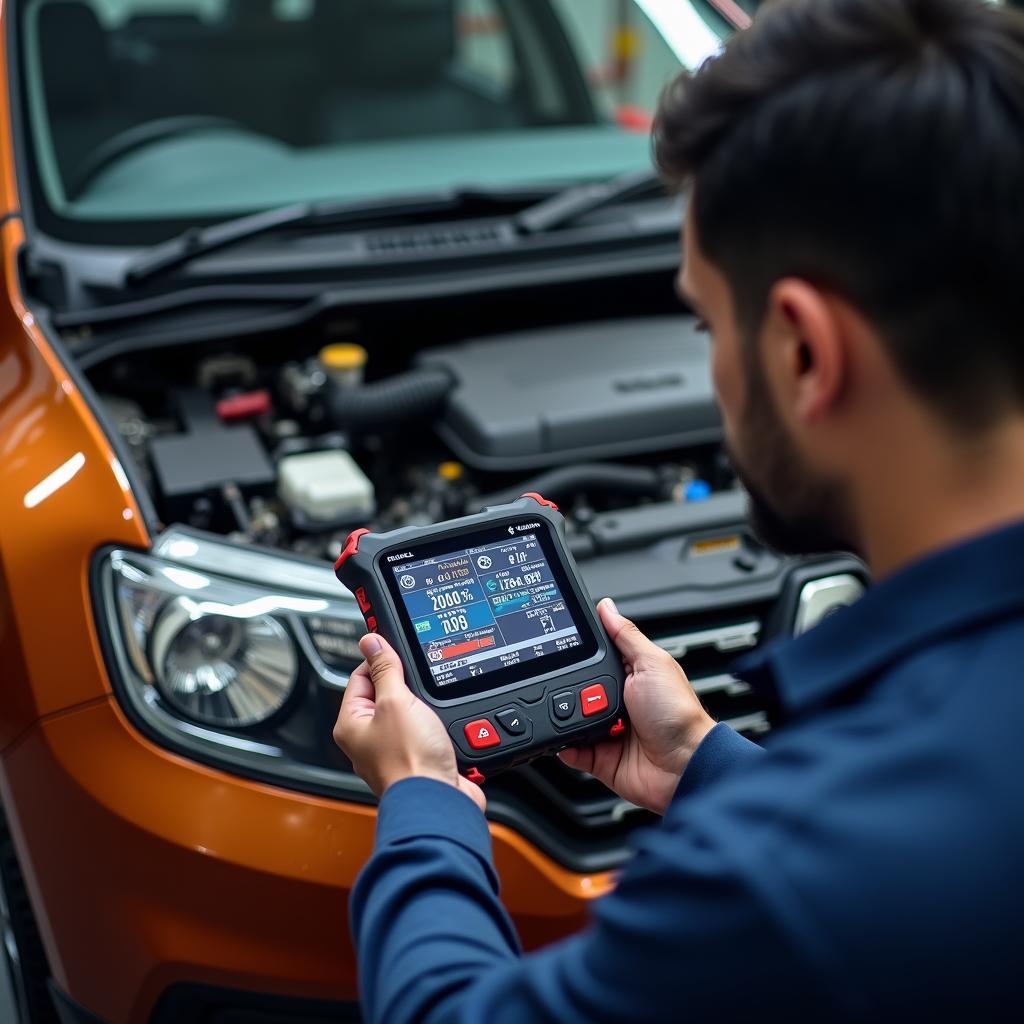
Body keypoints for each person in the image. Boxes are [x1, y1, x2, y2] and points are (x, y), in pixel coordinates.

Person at [333, 0, 1024, 1019]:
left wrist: (423, 804)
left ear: (801, 351)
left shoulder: (786, 866)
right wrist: (703, 765)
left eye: (705, 319)